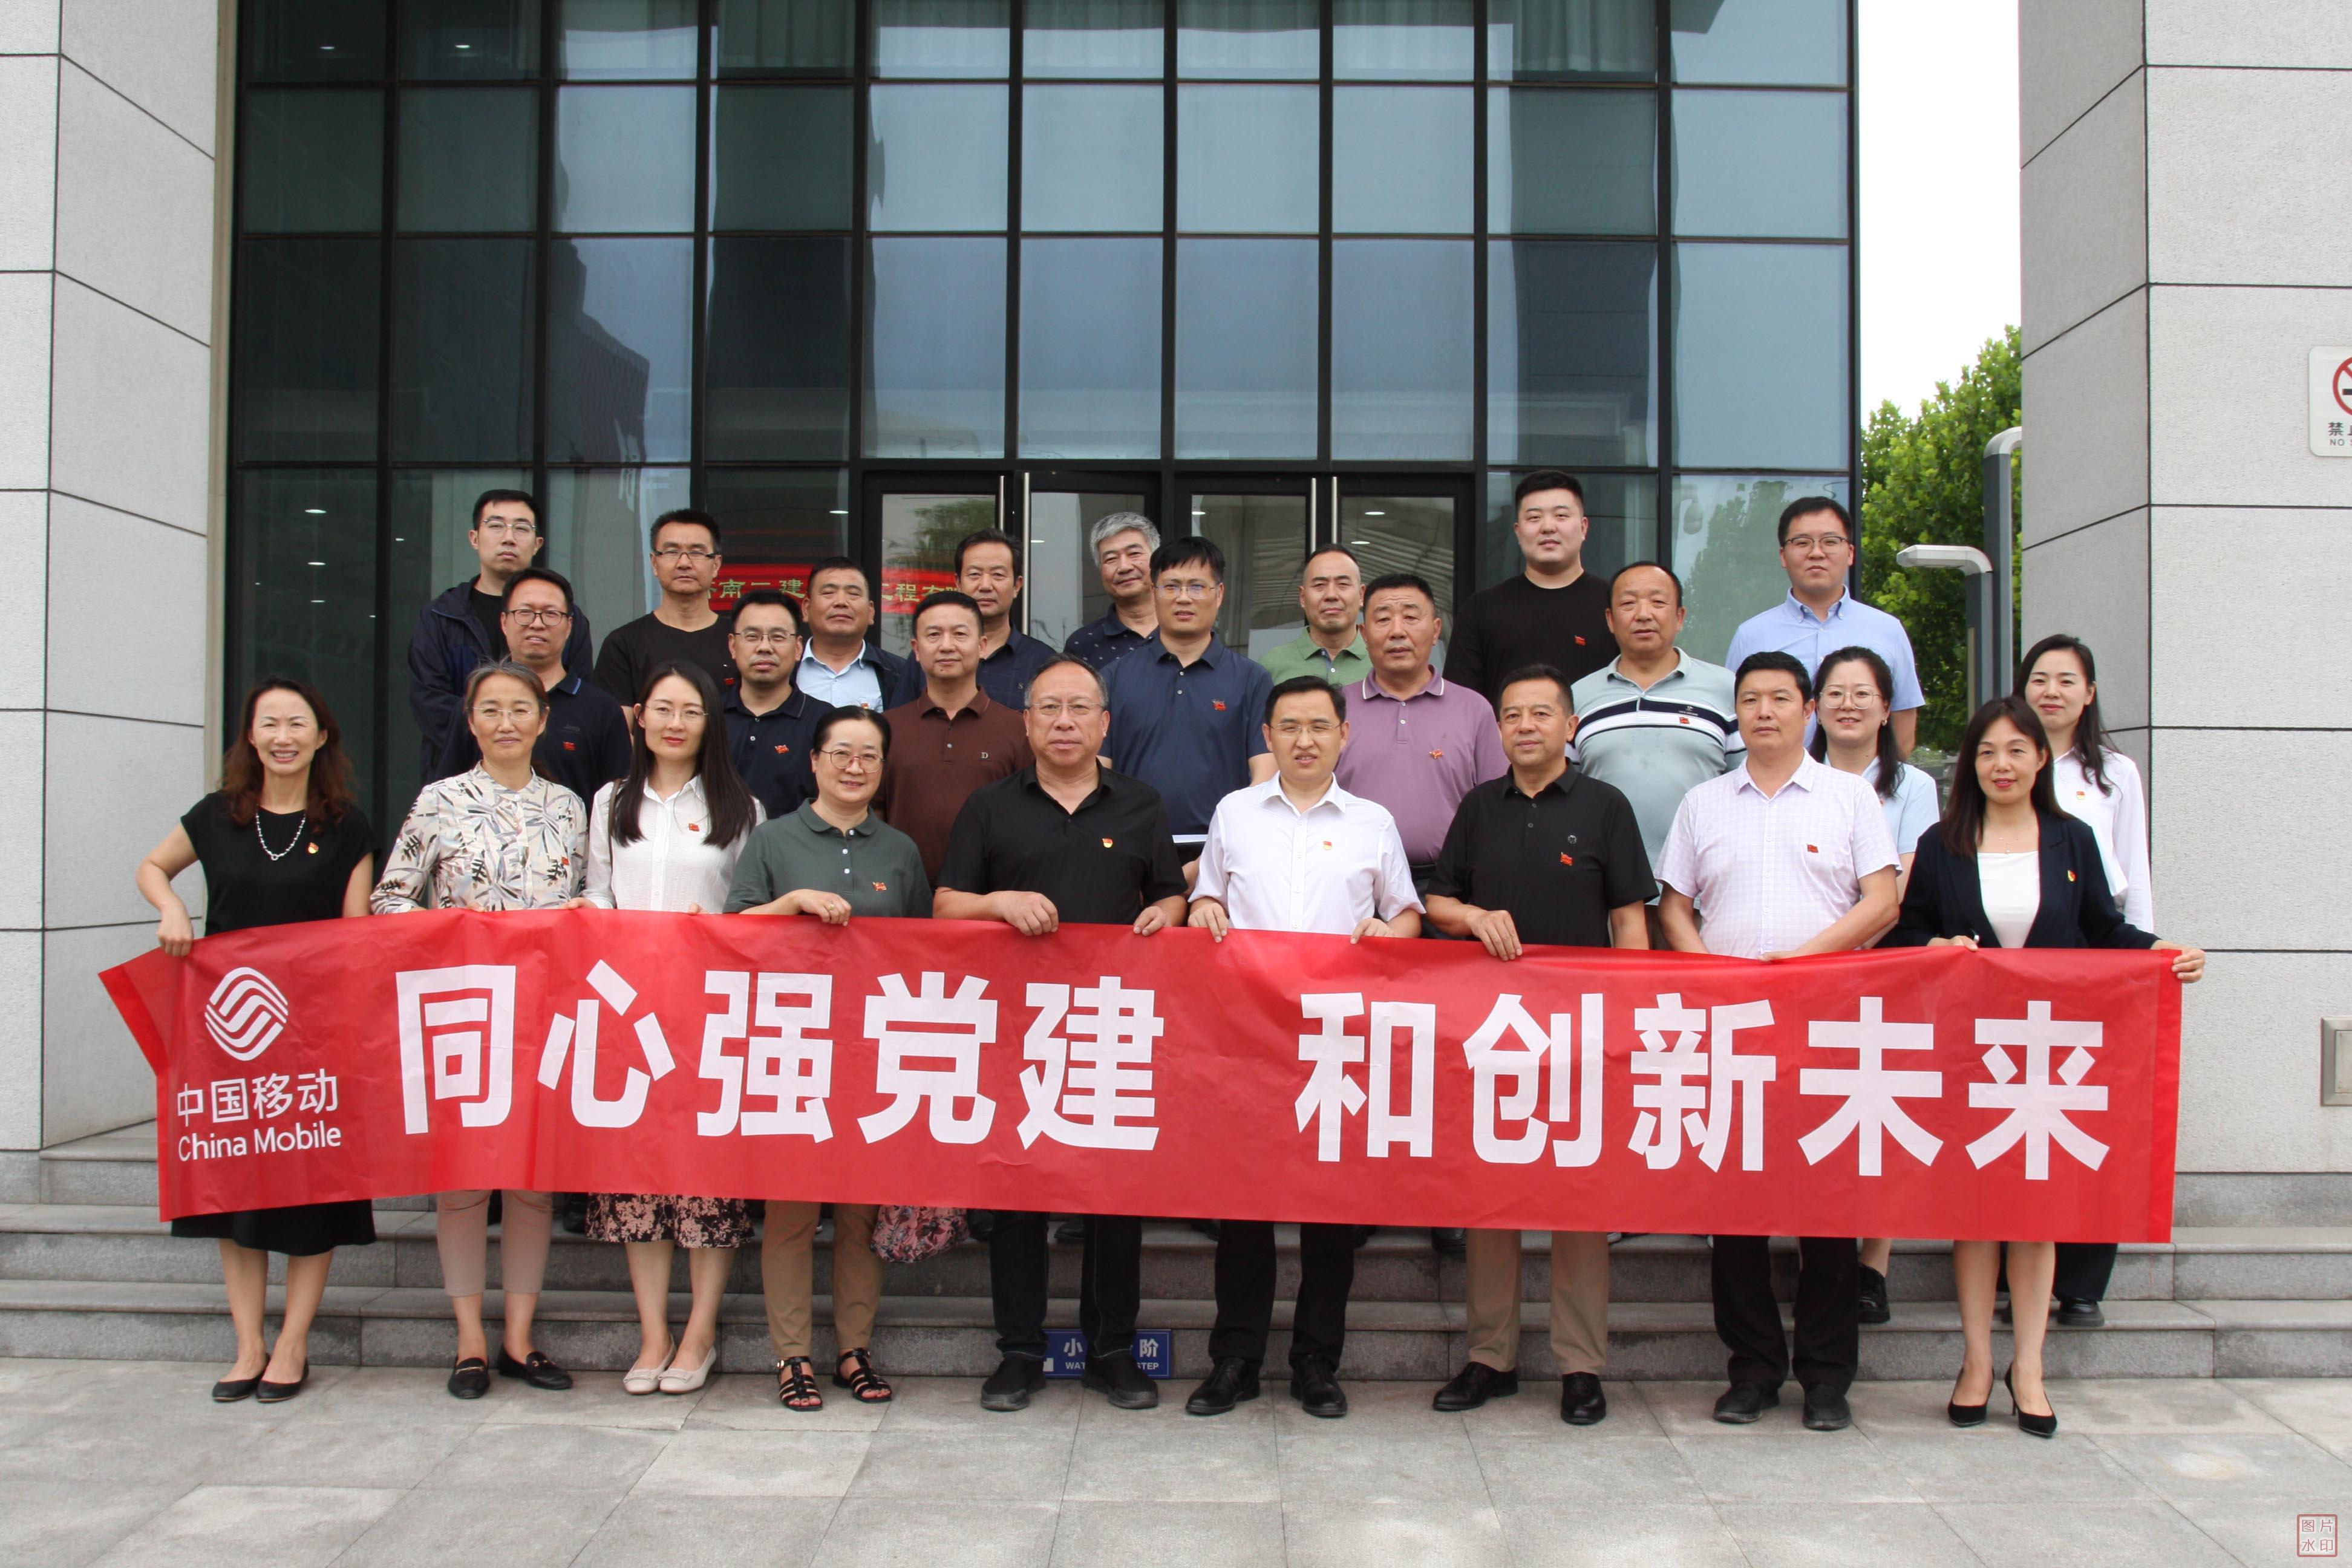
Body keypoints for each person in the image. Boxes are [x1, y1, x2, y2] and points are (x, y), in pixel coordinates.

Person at [1883, 694, 2204, 1437]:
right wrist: (1935, 948)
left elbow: (2104, 930)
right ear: (1971, 764)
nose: (2002, 765)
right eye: (1987, 752)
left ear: (2039, 760)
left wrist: (2160, 952)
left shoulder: (2072, 839)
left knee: (2035, 1212)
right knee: (1975, 1213)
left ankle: (2028, 1366)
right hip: (1968, 1052)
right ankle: (1975, 1361)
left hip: (2046, 1051)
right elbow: (1907, 931)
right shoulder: (1942, 843)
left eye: (2016, 751)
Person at [935, 658, 1187, 1414]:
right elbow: (946, 905)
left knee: (1114, 1195)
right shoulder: (990, 806)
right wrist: (1000, 903)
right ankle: (1020, 1351)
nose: (1065, 721)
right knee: (1017, 1191)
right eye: (1049, 708)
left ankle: (1112, 1349)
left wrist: (1167, 914)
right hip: (1015, 1031)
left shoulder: (1141, 804)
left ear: (1105, 723)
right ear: (1027, 722)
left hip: (1111, 1028)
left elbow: (1170, 895)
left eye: (1080, 708)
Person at [1656, 651, 1900, 1433]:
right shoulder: (1704, 803)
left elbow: (1883, 901)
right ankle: (1753, 1371)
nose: (1765, 712)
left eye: (1780, 699)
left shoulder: (1849, 796)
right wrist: (1709, 976)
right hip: (1732, 1029)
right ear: (1736, 714)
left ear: (1808, 711)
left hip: (1827, 1026)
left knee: (1827, 1210)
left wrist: (1803, 964)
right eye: (1751, 700)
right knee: (1737, 1212)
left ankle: (1826, 1379)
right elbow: (1673, 906)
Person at [1183, 676, 1421, 1420]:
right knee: (1243, 1208)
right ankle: (1235, 1359)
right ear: (1269, 736)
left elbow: (1407, 915)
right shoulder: (1235, 812)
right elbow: (1206, 896)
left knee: (1329, 1211)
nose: (1305, 740)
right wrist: (1206, 907)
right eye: (1290, 727)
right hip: (1248, 1037)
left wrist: (1389, 931)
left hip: (1336, 1039)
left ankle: (1317, 1361)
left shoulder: (1373, 822)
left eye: (1320, 726)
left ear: (1344, 736)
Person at [1422, 664, 1654, 1426]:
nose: (1525, 726)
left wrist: (1628, 1025)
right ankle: (1490, 1357)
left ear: (1570, 726)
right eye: (1512, 715)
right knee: (1492, 1199)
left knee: (1578, 1203)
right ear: (1499, 730)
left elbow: (1629, 921)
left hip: (1585, 1036)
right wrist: (1471, 918)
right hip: (1493, 1035)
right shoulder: (1478, 807)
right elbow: (1439, 899)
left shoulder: (1605, 806)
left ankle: (1581, 1366)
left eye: (1541, 714)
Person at [135, 679, 377, 1405]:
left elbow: (356, 935)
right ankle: (248, 1344)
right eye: (268, 723)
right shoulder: (216, 817)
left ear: (321, 736)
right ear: (250, 735)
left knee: (313, 1193)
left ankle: (293, 1343)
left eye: (296, 724)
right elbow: (152, 867)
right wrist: (171, 908)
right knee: (232, 1190)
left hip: (314, 1039)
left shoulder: (348, 827)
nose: (282, 736)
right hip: (227, 1039)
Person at [372, 659, 589, 1401]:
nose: (506, 722)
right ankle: (469, 1339)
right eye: (490, 709)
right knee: (463, 1182)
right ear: (470, 722)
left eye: (519, 708)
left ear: (542, 720)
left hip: (544, 1013)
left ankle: (519, 1338)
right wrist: (453, 928)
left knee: (531, 1181)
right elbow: (389, 900)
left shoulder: (568, 807)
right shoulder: (439, 801)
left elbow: (587, 898)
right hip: (464, 1013)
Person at [727, 707, 930, 1411]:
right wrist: (790, 903)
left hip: (874, 1054)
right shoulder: (773, 839)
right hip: (794, 1049)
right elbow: (731, 932)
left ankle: (853, 1350)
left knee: (859, 1215)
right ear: (814, 761)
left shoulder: (900, 850)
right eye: (841, 752)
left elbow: (927, 953)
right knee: (790, 1213)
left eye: (869, 755)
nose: (854, 766)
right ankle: (791, 1356)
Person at [573, 662, 765, 1397]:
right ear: (641, 718)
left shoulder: (740, 806)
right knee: (636, 1179)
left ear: (711, 723)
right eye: (662, 708)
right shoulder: (610, 799)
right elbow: (599, 891)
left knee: (705, 1180)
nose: (675, 722)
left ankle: (700, 1332)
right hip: (626, 1015)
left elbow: (751, 912)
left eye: (691, 710)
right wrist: (588, 915)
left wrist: (712, 929)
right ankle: (653, 1331)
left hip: (706, 1017)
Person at [2017, 633, 2154, 1327]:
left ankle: (2081, 1283)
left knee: (2086, 1116)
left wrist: (2143, 961)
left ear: (2090, 693)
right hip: (2020, 960)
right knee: (2023, 1113)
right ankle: (2018, 1273)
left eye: (2066, 680)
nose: (2052, 692)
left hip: (2096, 954)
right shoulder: (2004, 761)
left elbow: (2135, 875)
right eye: (2040, 678)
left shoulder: (2114, 774)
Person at [1809, 644, 1942, 1326]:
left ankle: (1873, 1264)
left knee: (1874, 1111)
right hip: (1805, 971)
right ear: (1816, 706)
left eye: (1863, 694)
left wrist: (1844, 945)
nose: (1849, 705)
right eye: (1836, 692)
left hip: (1882, 964)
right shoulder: (1797, 776)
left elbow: (1906, 880)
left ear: (1887, 708)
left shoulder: (1912, 787)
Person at [1569, 562, 1742, 942]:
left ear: (1679, 617)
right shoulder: (1578, 697)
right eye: (1629, 604)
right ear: (1610, 620)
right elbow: (1567, 795)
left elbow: (1747, 786)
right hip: (1607, 896)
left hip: (1703, 893)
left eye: (1658, 602)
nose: (1644, 614)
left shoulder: (1726, 690)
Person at [1101, 536, 1276, 858]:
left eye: (1197, 587)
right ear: (1153, 593)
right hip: (1131, 849)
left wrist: (1221, 849)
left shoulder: (1252, 680)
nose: (1183, 598)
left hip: (1224, 850)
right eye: (1171, 587)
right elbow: (1096, 770)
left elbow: (1265, 776)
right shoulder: (1113, 678)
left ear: (1219, 594)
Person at [406, 488, 594, 785]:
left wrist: (528, 753)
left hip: (549, 779)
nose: (509, 538)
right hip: (460, 779)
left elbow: (577, 700)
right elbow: (430, 703)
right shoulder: (441, 617)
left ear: (537, 543)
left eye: (521, 528)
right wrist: (500, 745)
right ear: (474, 538)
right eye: (496, 526)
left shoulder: (567, 619)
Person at [1722, 497, 1924, 754]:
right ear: (1783, 556)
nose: (1816, 553)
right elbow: (1734, 720)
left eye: (1830, 542)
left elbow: (1903, 728)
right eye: (1802, 543)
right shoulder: (1751, 636)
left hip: (1864, 779)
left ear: (1850, 553)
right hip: (1778, 779)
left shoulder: (1888, 630)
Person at [877, 590, 1033, 883]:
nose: (947, 646)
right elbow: (873, 813)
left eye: (960, 634)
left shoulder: (1018, 729)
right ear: (916, 649)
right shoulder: (887, 728)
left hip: (989, 898)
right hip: (903, 895)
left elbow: (1029, 819)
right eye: (934, 635)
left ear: (982, 646)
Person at [437, 566, 630, 802]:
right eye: (525, 612)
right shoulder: (479, 705)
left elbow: (618, 803)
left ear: (569, 626)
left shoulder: (602, 710)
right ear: (504, 622)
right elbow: (447, 794)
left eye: (551, 614)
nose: (537, 624)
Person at [1444, 471, 1615, 700]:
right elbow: (1461, 703)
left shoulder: (1615, 605)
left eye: (1561, 516)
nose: (1548, 527)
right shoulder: (1481, 610)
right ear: (1518, 531)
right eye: (1534, 518)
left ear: (1584, 527)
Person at [592, 509, 734, 707]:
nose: (684, 563)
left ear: (716, 564)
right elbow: (617, 724)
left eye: (696, 552)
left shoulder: (740, 640)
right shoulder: (623, 644)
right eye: (672, 552)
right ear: (654, 563)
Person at [722, 588, 834, 820]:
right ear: (733, 646)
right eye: (752, 636)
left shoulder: (825, 722)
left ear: (798, 648)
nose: (765, 647)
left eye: (778, 637)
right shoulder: (708, 714)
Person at [929, 528, 1059, 708]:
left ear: (1017, 586)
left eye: (998, 575)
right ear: (958, 584)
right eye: (975, 574)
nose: (985, 586)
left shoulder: (1043, 662)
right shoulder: (931, 653)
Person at [795, 557, 912, 710]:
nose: (841, 602)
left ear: (871, 612)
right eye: (829, 592)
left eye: (853, 594)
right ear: (806, 609)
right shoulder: (785, 668)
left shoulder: (900, 673)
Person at [1257, 545, 1372, 687]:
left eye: (1343, 584)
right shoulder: (1271, 666)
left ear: (1361, 595)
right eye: (1319, 585)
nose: (1331, 595)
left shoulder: (1383, 664)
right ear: (1303, 597)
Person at [1062, 512, 1160, 672]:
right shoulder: (1082, 645)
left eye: (1134, 554)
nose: (1124, 567)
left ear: (1157, 560)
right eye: (1111, 559)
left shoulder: (1189, 629)